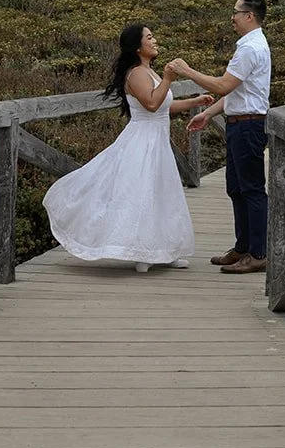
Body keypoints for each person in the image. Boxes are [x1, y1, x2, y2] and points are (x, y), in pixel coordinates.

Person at [42, 23, 209, 274]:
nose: (154, 41)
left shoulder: (148, 72)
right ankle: (142, 252)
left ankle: (167, 249)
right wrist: (168, 78)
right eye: (149, 38)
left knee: (163, 192)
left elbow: (164, 105)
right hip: (142, 140)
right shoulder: (136, 74)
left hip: (158, 139)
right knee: (142, 193)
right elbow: (152, 104)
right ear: (137, 46)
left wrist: (194, 101)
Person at [175, 0, 271, 274]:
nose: (232, 16)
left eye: (236, 12)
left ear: (249, 16)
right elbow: (236, 91)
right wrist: (208, 113)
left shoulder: (251, 48)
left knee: (251, 189)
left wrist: (188, 71)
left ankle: (258, 253)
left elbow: (223, 86)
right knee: (236, 188)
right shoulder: (249, 46)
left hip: (249, 126)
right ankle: (243, 248)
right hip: (240, 123)